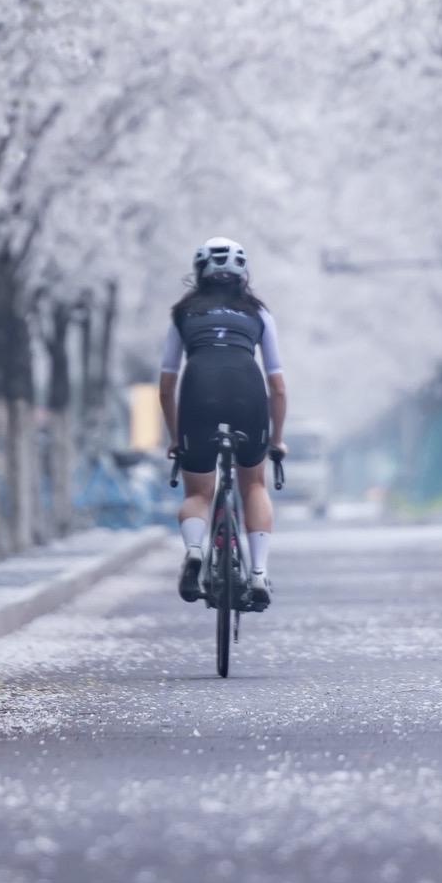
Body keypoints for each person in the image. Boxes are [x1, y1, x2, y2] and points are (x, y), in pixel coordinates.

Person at [158, 239, 287, 613]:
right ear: (243, 275)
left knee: (197, 493)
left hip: (197, 395)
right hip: (249, 395)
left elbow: (167, 385)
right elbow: (277, 386)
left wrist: (174, 436)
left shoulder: (183, 314)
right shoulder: (259, 314)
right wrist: (276, 439)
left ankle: (195, 553)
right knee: (254, 483)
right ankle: (259, 573)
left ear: (199, 273)